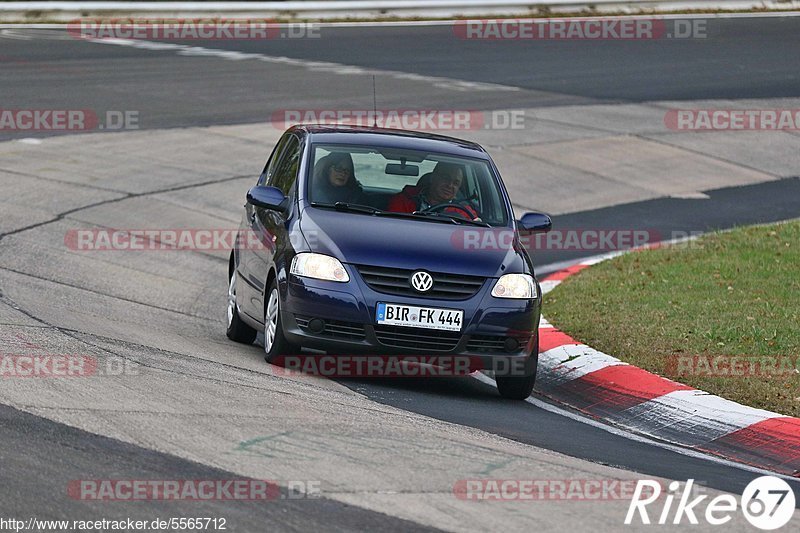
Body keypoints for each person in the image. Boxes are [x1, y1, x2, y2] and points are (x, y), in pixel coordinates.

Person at [387, 162, 479, 219]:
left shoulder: (464, 211)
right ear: (433, 178)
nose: (450, 185)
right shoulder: (404, 200)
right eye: (446, 178)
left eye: (455, 183)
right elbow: (393, 227)